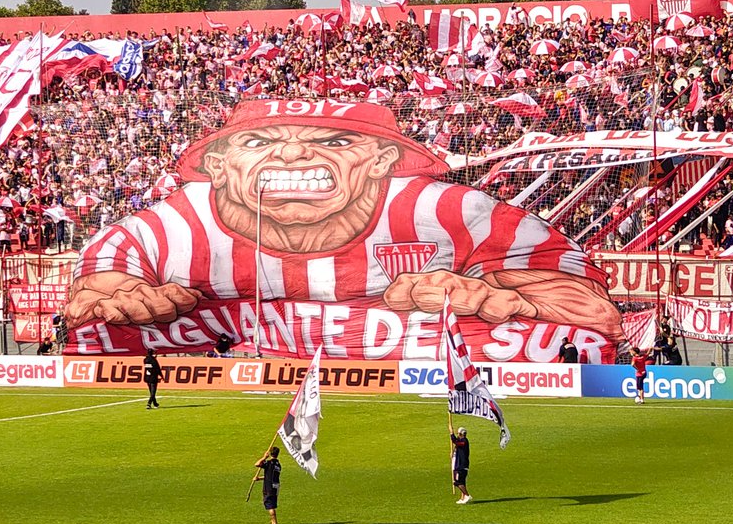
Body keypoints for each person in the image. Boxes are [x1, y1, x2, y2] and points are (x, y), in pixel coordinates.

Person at [65, 100, 623, 352]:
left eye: (333, 142)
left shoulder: (450, 213)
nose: (289, 156)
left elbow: (599, 316)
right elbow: (90, 300)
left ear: (382, 160)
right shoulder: (170, 227)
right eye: (259, 143)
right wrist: (126, 299)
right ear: (218, 163)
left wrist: (500, 295)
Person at [253, 446, 281, 524]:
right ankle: (272, 523)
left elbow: (257, 464)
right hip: (275, 487)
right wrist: (259, 479)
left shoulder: (269, 463)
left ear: (270, 453)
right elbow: (269, 476)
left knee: (270, 506)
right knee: (272, 504)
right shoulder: (278, 465)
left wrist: (264, 457)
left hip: (268, 488)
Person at [450, 424, 471, 504]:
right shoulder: (461, 441)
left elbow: (456, 442)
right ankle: (463, 498)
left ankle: (467, 495)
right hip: (461, 465)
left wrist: (451, 433)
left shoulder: (464, 441)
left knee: (457, 482)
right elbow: (457, 445)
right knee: (462, 482)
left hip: (461, 466)